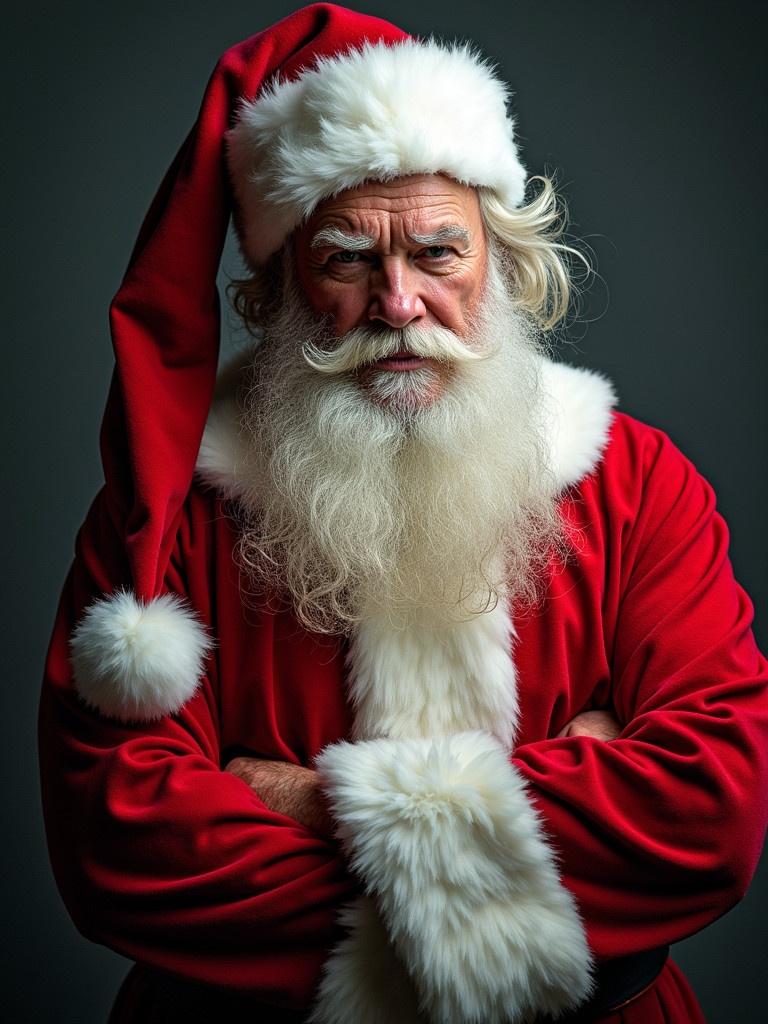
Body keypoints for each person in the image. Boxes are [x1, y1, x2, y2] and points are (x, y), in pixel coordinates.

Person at [38, 4, 768, 1022]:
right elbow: (117, 843)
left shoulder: (639, 482)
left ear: (501, 261)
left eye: (437, 253)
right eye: (346, 259)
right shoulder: (171, 511)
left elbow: (709, 810)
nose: (398, 303)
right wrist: (549, 798)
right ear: (281, 283)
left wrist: (313, 799)